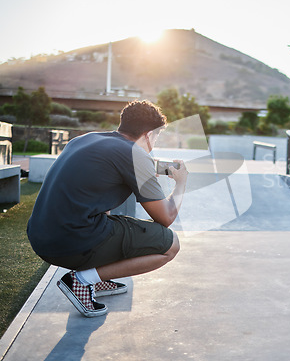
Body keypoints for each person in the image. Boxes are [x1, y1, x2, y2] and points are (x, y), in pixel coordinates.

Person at [27, 100, 188, 317]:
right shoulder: (134, 156)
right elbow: (165, 217)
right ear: (149, 134)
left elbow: (103, 175)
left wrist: (146, 167)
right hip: (69, 243)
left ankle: (96, 276)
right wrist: (181, 183)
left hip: (41, 238)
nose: (155, 142)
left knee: (109, 212)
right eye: (157, 135)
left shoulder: (86, 139)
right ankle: (82, 280)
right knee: (170, 244)